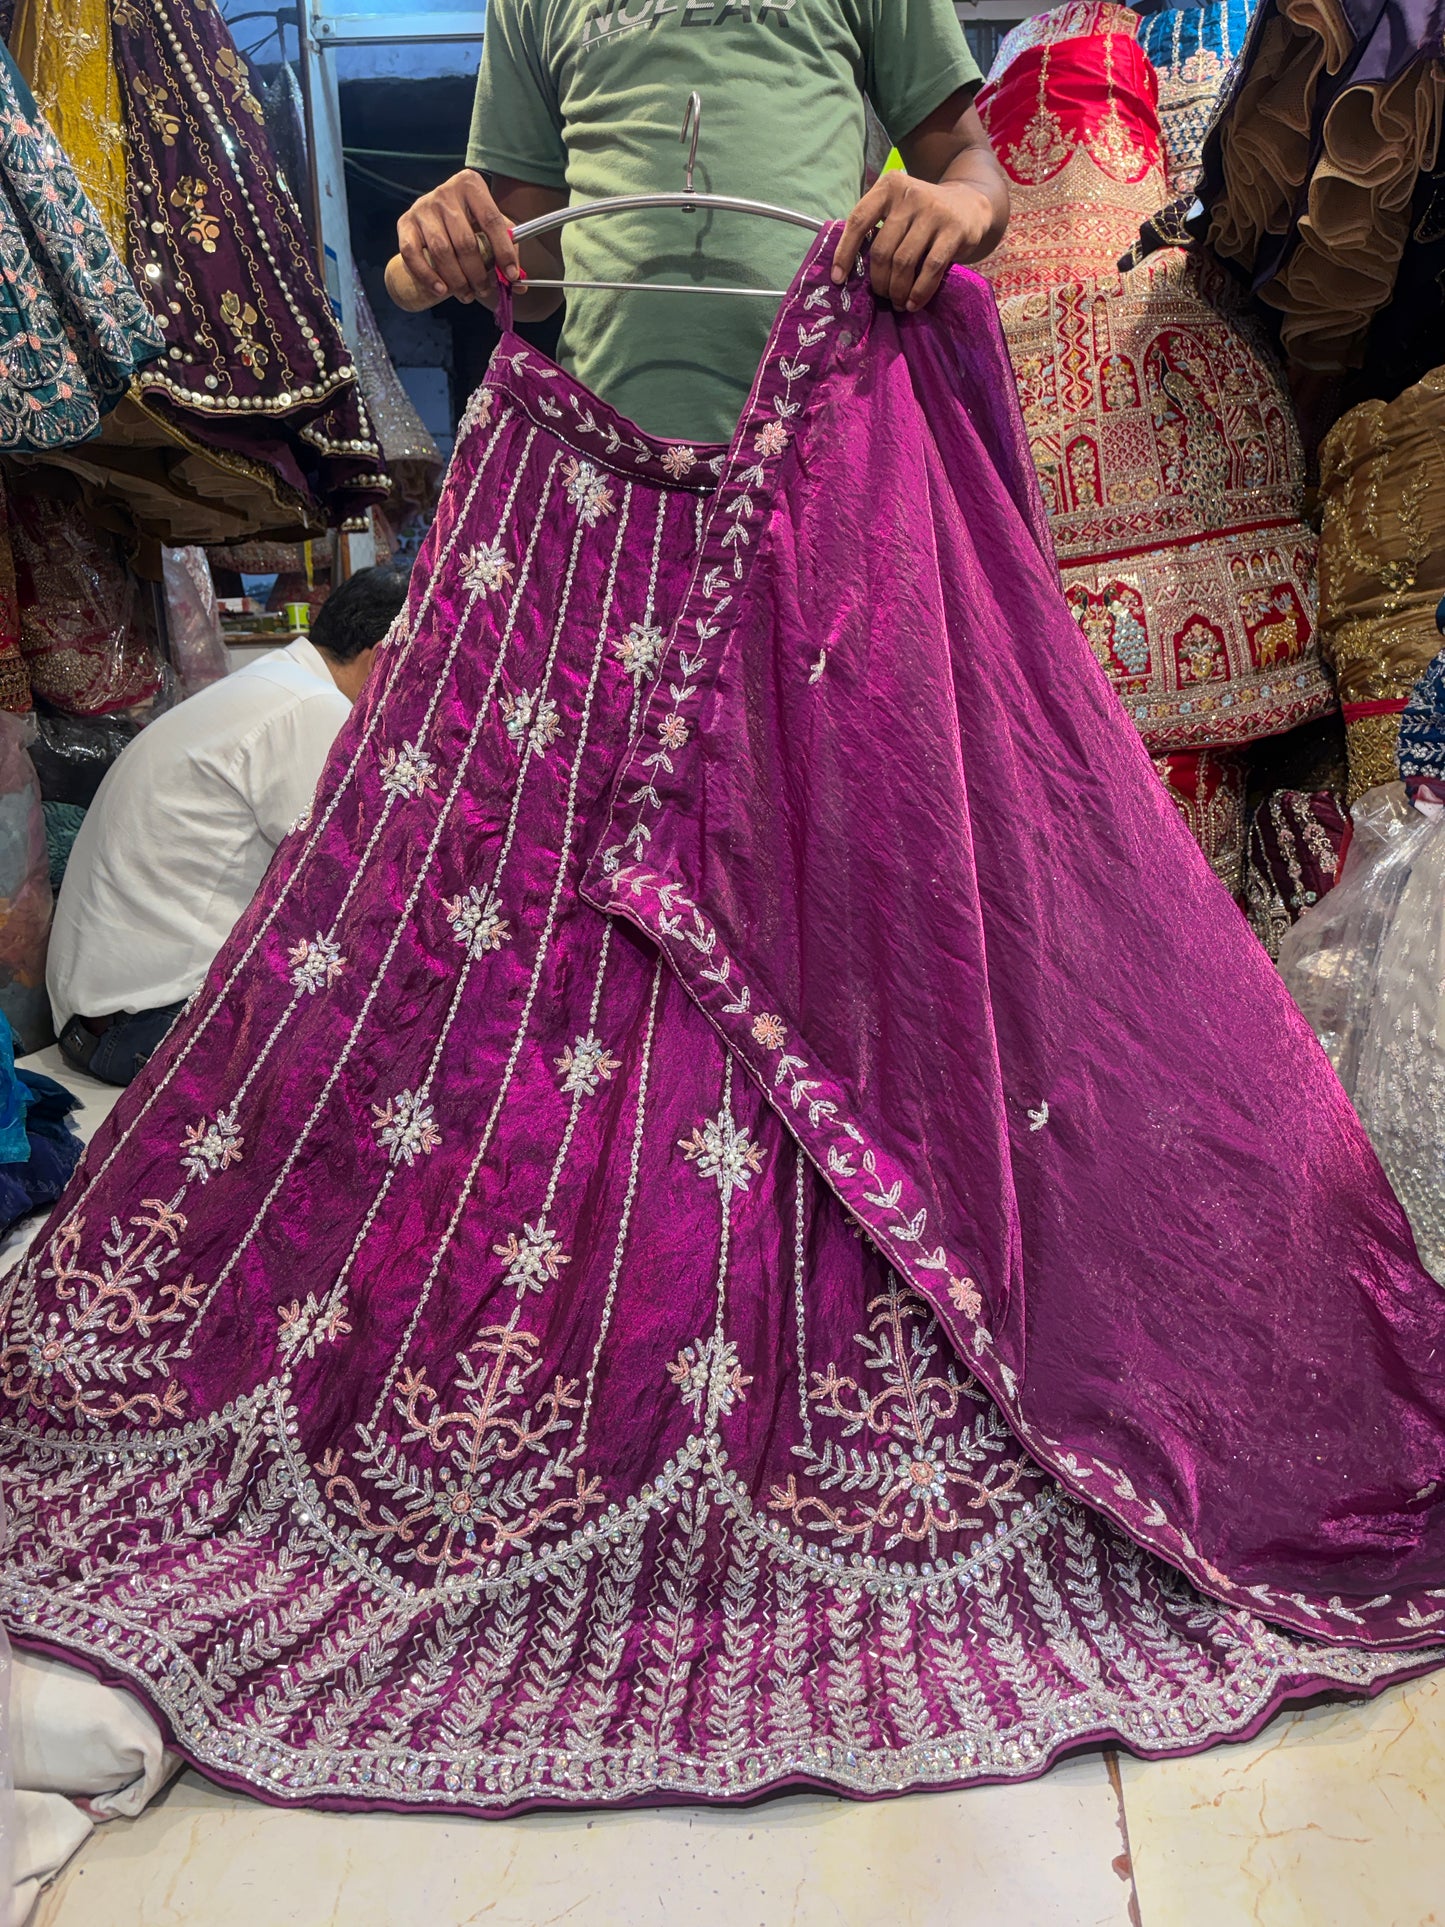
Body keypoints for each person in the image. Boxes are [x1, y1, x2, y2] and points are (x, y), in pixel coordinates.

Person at [391, 0, 1011, 443]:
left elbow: (965, 160)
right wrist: (459, 247)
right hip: (605, 453)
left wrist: (965, 200)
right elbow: (533, 277)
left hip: (825, 435)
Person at [48, 565, 409, 1087]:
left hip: (103, 1020)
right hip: (142, 1027)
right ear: (383, 656)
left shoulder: (280, 684)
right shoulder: (312, 709)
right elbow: (355, 885)